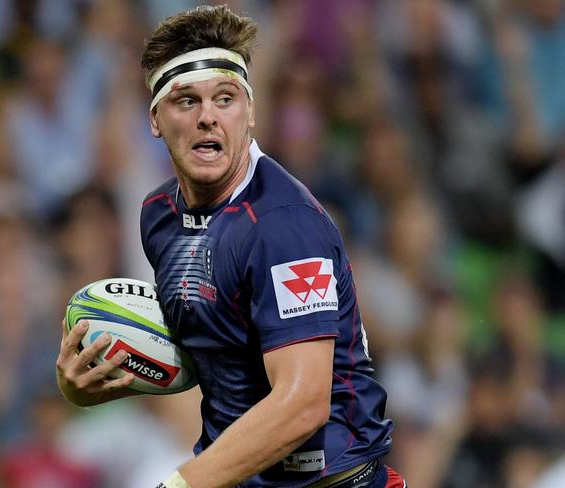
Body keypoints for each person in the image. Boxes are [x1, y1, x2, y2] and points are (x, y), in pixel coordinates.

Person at [56, 5, 406, 487]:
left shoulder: (284, 224)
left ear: (252, 111)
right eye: (186, 102)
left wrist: (180, 484)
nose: (207, 118)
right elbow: (216, 352)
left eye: (225, 98)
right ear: (155, 119)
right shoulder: (160, 215)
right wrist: (99, 381)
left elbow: (303, 406)